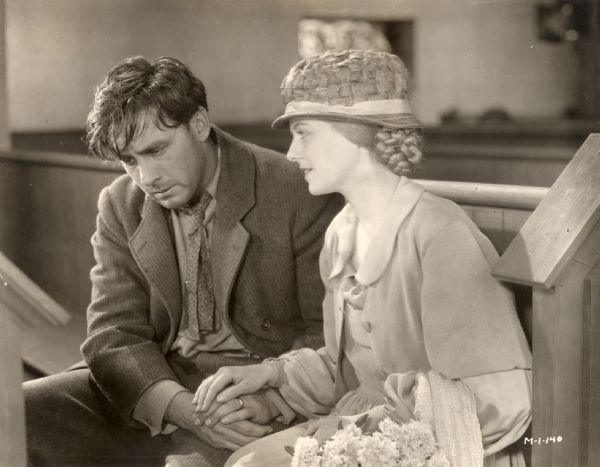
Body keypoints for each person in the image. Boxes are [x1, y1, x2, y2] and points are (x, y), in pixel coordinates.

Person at [193, 49, 533, 467]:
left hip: (441, 446)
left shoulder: (439, 233)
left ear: (354, 131)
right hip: (368, 428)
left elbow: (503, 401)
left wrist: (369, 426)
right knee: (244, 460)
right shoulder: (342, 232)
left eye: (305, 133)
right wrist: (273, 380)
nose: (293, 153)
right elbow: (352, 374)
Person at [23, 56, 342, 466]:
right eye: (130, 160)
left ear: (199, 124)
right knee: (19, 411)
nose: (146, 177)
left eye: (156, 150)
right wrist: (179, 408)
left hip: (254, 395)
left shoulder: (295, 189)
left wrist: (268, 398)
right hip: (158, 383)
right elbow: (113, 334)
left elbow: (329, 337)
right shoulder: (122, 203)